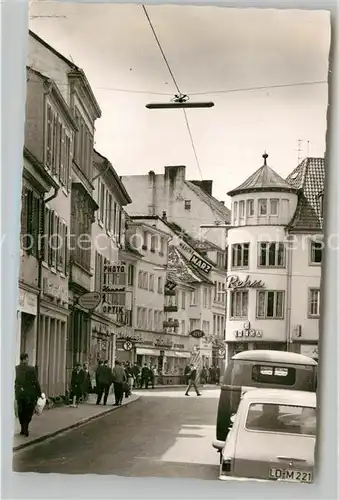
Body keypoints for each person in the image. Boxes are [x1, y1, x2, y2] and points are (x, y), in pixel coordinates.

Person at [15, 353, 42, 437]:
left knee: (21, 411)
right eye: (27, 358)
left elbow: (15, 380)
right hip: (29, 394)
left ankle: (23, 428)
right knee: (29, 411)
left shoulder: (16, 368)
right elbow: (36, 382)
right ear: (26, 359)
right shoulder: (31, 369)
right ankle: (25, 427)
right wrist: (39, 393)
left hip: (20, 393)